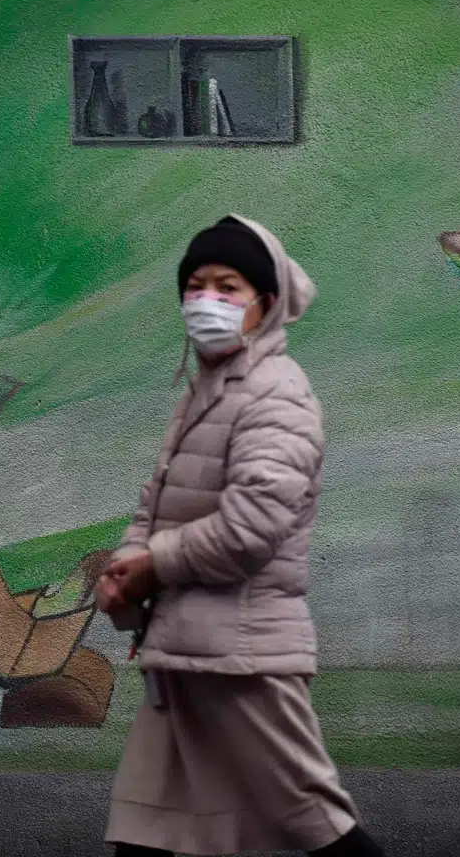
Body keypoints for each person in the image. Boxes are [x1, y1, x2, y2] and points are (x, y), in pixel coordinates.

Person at [96, 215, 384, 857]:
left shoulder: (275, 396)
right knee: (148, 832)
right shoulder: (206, 393)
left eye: (228, 288)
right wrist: (124, 567)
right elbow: (157, 507)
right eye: (196, 286)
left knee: (316, 827)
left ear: (268, 304)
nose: (207, 302)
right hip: (189, 651)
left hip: (242, 655)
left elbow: (250, 528)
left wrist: (152, 567)